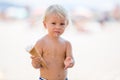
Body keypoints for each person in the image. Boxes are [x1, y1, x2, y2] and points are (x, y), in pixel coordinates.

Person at [30, 4, 75, 80]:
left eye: (62, 24)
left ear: (66, 25)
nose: (58, 27)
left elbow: (72, 61)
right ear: (45, 24)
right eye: (53, 23)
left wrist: (70, 62)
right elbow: (36, 66)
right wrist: (35, 61)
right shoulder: (41, 43)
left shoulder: (67, 44)